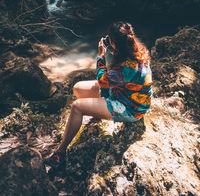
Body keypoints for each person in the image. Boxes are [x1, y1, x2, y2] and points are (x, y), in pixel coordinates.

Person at [44, 21, 152, 168]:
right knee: (77, 88)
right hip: (124, 93)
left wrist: (101, 56)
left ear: (114, 42)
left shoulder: (124, 67)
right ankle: (98, 113)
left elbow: (103, 81)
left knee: (77, 107)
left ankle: (60, 153)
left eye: (110, 38)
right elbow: (113, 81)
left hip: (131, 109)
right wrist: (113, 49)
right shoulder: (135, 50)